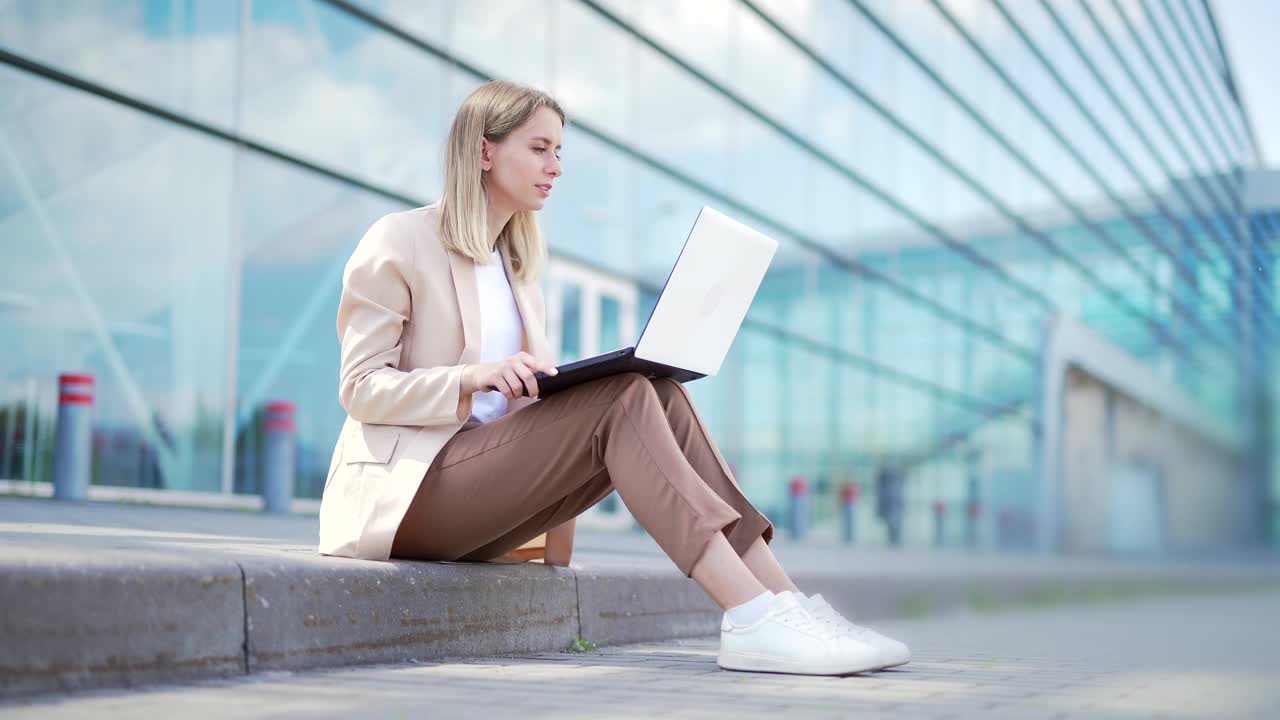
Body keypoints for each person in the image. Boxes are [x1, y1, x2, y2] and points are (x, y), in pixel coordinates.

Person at [318, 79, 910, 676]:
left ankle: (786, 605)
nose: (556, 167)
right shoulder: (400, 240)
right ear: (484, 150)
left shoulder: (517, 268)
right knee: (625, 397)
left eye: (560, 152)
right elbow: (361, 388)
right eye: (540, 148)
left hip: (484, 486)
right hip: (410, 491)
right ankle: (752, 616)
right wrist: (474, 377)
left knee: (658, 390)